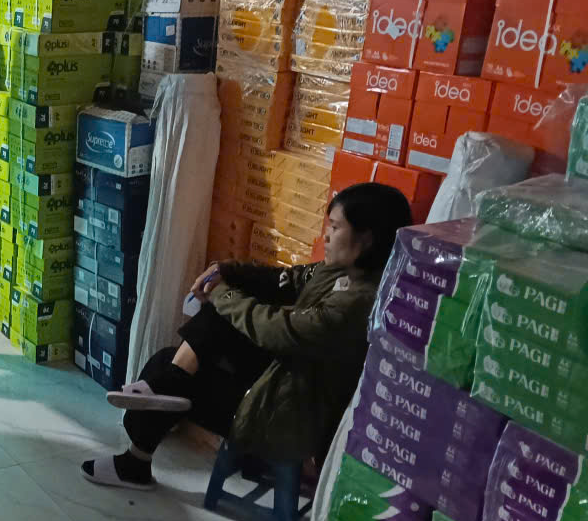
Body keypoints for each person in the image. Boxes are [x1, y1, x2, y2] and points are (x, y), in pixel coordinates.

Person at [81, 182, 414, 491]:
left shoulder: (359, 303)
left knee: (185, 360)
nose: (325, 235)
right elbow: (285, 279)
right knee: (178, 353)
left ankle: (142, 446)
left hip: (288, 416)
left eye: (336, 227)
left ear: (366, 239)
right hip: (284, 376)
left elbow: (277, 330)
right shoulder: (339, 272)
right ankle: (163, 397)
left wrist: (222, 295)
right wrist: (226, 271)